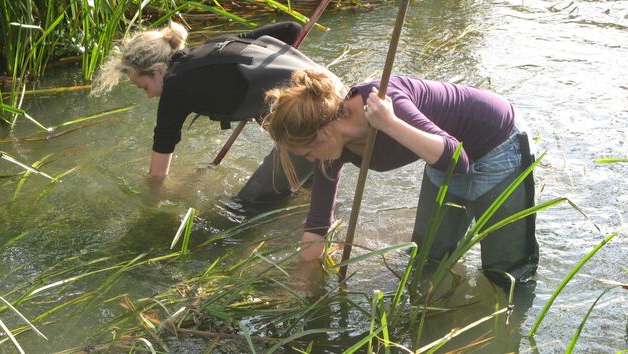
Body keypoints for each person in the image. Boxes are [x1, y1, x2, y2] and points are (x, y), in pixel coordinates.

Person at [262, 70, 539, 285]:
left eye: (308, 151)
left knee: (506, 271)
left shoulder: (382, 99)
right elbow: (318, 225)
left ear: (323, 132)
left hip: (497, 142)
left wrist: (391, 125)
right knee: (426, 259)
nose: (309, 160)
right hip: (437, 154)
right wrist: (301, 282)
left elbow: (458, 159)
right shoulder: (331, 150)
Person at [91, 21, 344, 203]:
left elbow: (158, 174)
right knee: (306, 193)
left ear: (158, 69)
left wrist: (149, 203)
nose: (148, 95)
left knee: (250, 203)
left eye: (144, 87)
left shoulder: (175, 87)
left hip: (316, 119)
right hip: (337, 94)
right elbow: (291, 29)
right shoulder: (215, 46)